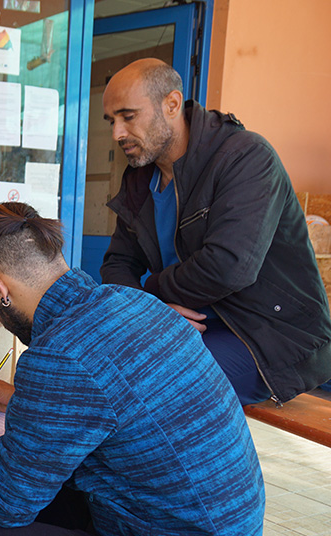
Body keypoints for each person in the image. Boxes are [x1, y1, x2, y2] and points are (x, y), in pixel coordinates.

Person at [0, 202, 265, 536]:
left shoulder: (61, 353)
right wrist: (22, 398)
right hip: (230, 535)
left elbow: (1, 505)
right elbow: (115, 402)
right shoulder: (135, 302)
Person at [100, 58, 331, 406]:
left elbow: (227, 266)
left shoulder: (245, 157)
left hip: (266, 335)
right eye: (112, 121)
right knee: (91, 361)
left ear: (172, 104)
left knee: (144, 389)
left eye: (128, 116)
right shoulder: (139, 176)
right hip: (192, 327)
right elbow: (117, 263)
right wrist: (149, 310)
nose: (117, 133)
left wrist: (153, 294)